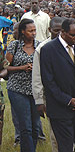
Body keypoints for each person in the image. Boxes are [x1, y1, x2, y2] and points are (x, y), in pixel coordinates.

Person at [40, 19, 75, 152]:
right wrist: (68, 100)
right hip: (60, 108)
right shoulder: (48, 49)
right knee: (65, 146)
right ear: (62, 33)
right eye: (73, 35)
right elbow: (48, 81)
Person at [5, 19, 40, 152]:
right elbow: (6, 67)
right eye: (30, 31)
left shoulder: (39, 46)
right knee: (25, 127)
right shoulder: (14, 46)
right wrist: (22, 67)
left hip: (35, 90)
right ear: (23, 32)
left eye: (34, 30)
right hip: (17, 89)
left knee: (35, 127)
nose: (33, 33)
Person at [32, 17, 65, 152]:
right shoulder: (42, 48)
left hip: (70, 94)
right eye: (56, 31)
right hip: (50, 95)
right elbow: (37, 76)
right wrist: (39, 100)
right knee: (56, 132)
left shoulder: (70, 44)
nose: (59, 34)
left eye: (62, 31)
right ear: (49, 30)